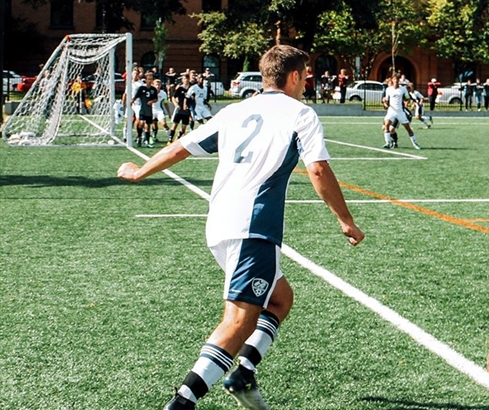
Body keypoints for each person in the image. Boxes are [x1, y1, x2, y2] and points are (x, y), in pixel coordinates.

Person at [118, 45, 364, 410]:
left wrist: (140, 171)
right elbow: (318, 169)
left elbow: (181, 148)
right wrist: (346, 220)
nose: (306, 83)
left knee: (280, 298)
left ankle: (244, 371)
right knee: (238, 321)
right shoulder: (300, 113)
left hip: (219, 222)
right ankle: (182, 401)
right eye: (305, 76)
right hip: (253, 226)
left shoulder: (235, 111)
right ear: (294, 76)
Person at [382, 75, 421, 149]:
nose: (396, 81)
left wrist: (407, 99)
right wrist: (385, 101)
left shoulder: (403, 89)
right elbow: (387, 100)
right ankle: (387, 143)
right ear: (392, 81)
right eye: (394, 79)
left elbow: (407, 97)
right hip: (391, 111)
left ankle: (415, 143)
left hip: (400, 112)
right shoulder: (388, 89)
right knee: (386, 125)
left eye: (397, 80)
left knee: (408, 128)